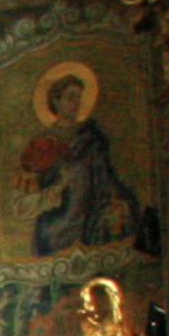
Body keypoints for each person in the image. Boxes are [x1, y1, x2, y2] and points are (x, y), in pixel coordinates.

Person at [19, 69, 142, 254]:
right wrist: (61, 184)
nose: (76, 103)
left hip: (91, 216)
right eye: (70, 97)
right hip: (57, 223)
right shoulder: (41, 144)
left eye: (78, 97)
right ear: (56, 101)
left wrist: (118, 200)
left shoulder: (91, 137)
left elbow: (106, 179)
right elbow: (27, 200)